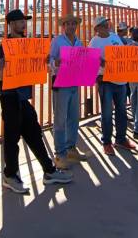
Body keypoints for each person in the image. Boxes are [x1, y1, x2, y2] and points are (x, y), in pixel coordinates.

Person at [0, 9, 73, 193]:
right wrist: (6, 64)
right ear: (12, 24)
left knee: (34, 133)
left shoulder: (29, 44)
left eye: (25, 21)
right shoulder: (5, 45)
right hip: (9, 97)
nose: (24, 24)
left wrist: (46, 61)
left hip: (22, 97)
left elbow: (40, 68)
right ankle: (10, 175)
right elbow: (0, 73)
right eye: (20, 21)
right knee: (12, 138)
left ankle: (49, 171)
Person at [89, 16, 136, 155]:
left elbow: (122, 55)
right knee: (107, 113)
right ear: (96, 28)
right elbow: (90, 63)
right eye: (103, 24)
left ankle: (121, 139)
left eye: (106, 23)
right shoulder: (94, 43)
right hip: (105, 81)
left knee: (121, 111)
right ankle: (107, 142)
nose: (106, 25)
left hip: (120, 80)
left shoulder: (115, 37)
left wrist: (130, 49)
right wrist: (100, 63)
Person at [49, 14, 91, 169]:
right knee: (60, 119)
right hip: (61, 83)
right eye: (68, 24)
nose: (71, 26)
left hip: (74, 82)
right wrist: (56, 62)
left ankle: (71, 148)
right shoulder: (57, 41)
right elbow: (49, 60)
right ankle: (59, 154)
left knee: (73, 117)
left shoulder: (79, 42)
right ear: (63, 26)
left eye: (74, 24)